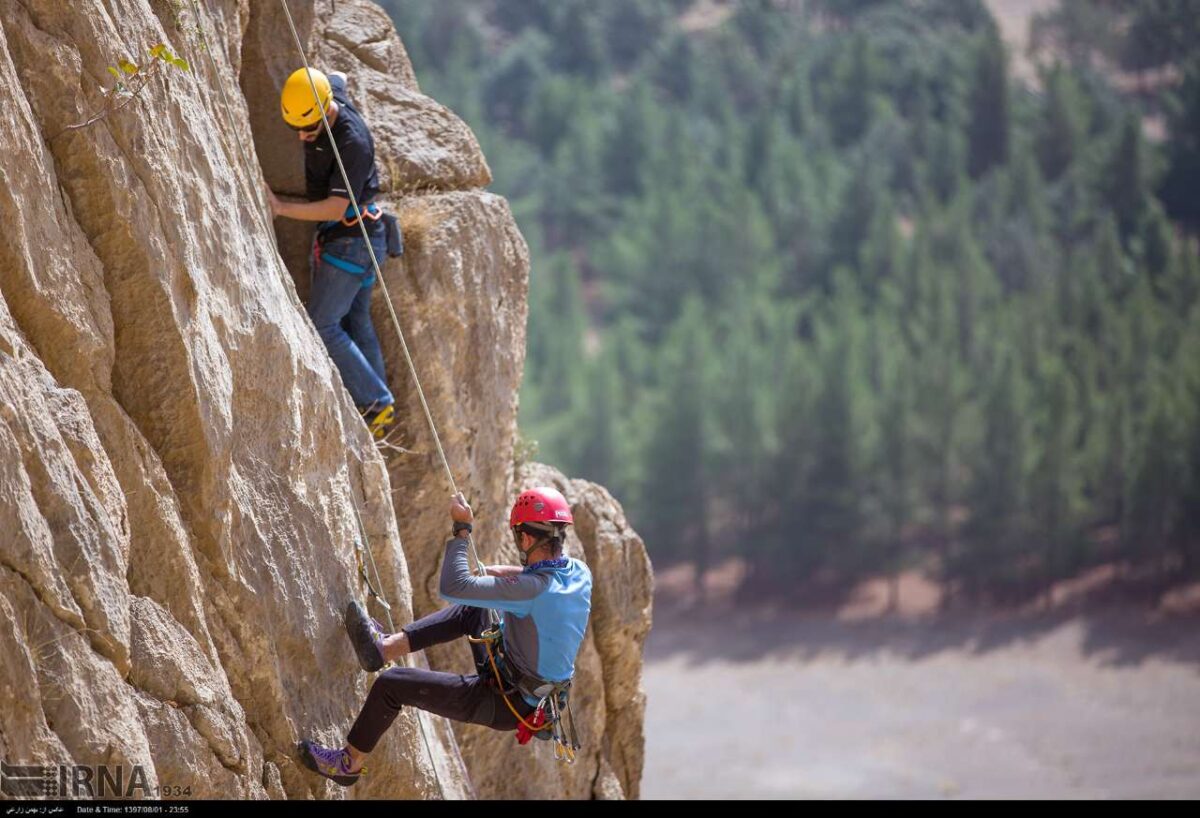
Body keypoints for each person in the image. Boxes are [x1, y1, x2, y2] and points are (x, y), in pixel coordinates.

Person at [298, 487, 593, 786]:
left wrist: (462, 530)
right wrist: (497, 573)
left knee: (391, 685)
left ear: (525, 539)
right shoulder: (579, 573)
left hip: (505, 703)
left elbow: (453, 587)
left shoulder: (529, 590)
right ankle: (382, 649)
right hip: (529, 690)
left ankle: (349, 763)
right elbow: (535, 578)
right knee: (475, 610)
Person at [268, 67, 395, 440]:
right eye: (297, 130)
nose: (304, 137)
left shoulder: (351, 143)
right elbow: (337, 75)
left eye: (309, 129)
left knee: (323, 326)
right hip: (364, 237)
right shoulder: (324, 94)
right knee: (357, 321)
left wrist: (279, 208)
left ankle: (375, 400)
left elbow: (335, 209)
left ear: (326, 110)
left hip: (350, 239)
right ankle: (380, 410)